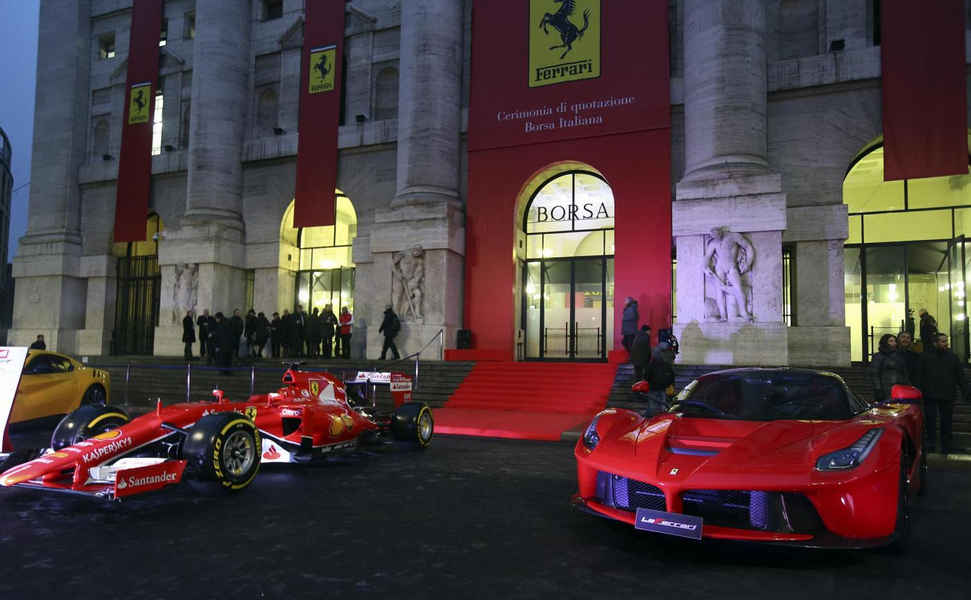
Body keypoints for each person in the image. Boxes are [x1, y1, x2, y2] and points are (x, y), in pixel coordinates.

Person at [918, 333, 968, 454]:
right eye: (943, 341)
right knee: (931, 421)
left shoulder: (952, 357)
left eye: (946, 341)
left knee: (946, 421)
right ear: (935, 343)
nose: (946, 344)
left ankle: (946, 445)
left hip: (947, 394)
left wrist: (965, 391)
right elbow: (920, 375)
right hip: (930, 394)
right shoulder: (925, 357)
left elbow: (960, 376)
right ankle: (932, 444)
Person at [868, 333, 909, 403]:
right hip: (885, 389)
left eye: (895, 341)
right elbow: (874, 374)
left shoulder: (899, 356)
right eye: (891, 341)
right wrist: (878, 389)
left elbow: (903, 373)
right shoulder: (878, 356)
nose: (894, 343)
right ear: (885, 342)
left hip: (899, 389)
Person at [644, 338, 676, 415]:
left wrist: (648, 381)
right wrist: (669, 383)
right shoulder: (667, 362)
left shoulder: (652, 363)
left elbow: (647, 375)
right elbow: (671, 375)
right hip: (663, 387)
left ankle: (651, 417)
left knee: (652, 404)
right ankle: (661, 416)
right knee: (663, 403)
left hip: (653, 387)